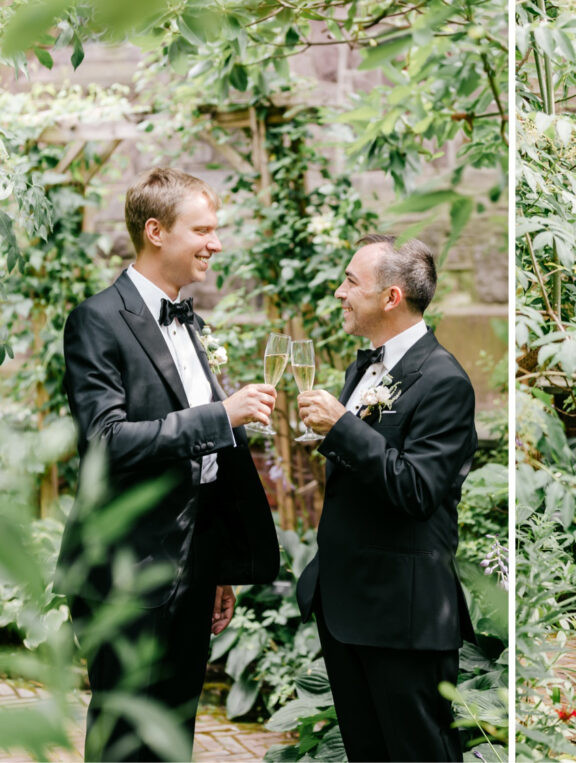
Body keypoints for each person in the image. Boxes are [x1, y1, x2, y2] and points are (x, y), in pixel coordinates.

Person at [55, 167, 281, 762]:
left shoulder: (188, 319)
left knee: (173, 733)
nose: (216, 243)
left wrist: (218, 564)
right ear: (156, 231)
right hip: (126, 569)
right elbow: (107, 440)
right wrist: (222, 415)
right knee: (126, 739)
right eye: (202, 229)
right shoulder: (97, 320)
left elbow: (202, 463)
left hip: (193, 562)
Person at [295, 234, 478, 762]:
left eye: (351, 282)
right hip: (349, 607)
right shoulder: (367, 367)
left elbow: (419, 490)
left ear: (391, 297)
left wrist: (343, 428)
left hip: (404, 616)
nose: (338, 292)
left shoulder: (444, 380)